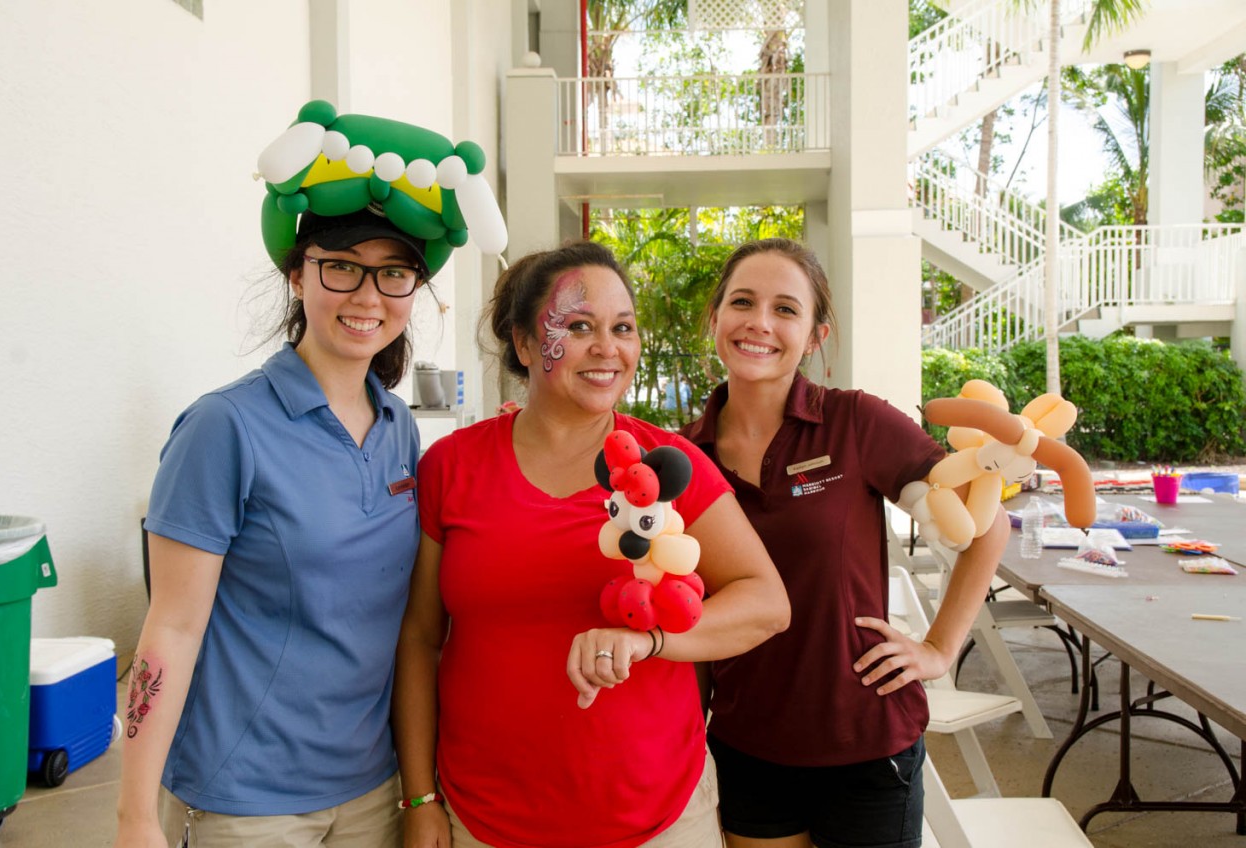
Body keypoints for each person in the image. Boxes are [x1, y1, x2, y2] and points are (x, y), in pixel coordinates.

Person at [113, 97, 508, 846]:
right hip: (244, 800)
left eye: (394, 275)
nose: (367, 297)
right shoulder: (224, 428)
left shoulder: (397, 430)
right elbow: (170, 627)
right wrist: (135, 815)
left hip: (370, 788)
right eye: (341, 268)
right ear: (298, 276)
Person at [394, 241, 791, 848]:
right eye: (578, 326)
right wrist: (420, 796)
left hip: (657, 821)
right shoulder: (453, 465)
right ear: (524, 344)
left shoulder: (671, 465)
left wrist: (650, 638)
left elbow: (766, 602)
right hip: (482, 820)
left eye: (623, 328)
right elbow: (421, 639)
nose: (609, 348)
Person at [679, 238, 1009, 848]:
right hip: (747, 740)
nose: (759, 323)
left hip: (865, 739)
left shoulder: (856, 423)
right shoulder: (683, 457)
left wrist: (938, 647)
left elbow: (985, 524)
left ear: (814, 336)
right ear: (716, 317)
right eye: (743, 302)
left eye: (785, 309)